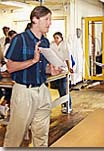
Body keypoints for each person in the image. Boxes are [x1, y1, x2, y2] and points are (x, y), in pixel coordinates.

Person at [3, 6, 56, 147]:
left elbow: (41, 68)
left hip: (43, 90)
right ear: (35, 19)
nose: (50, 23)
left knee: (41, 134)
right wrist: (32, 60)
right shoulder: (19, 40)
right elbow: (10, 67)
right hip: (24, 92)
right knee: (16, 134)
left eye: (50, 19)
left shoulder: (45, 42)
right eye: (47, 19)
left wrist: (51, 69)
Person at [50, 32, 73, 114]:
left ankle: (68, 105)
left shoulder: (65, 45)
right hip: (56, 69)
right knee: (60, 88)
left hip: (64, 68)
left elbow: (67, 57)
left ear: (61, 38)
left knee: (64, 88)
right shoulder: (52, 45)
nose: (56, 40)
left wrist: (69, 68)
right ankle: (63, 105)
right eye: (54, 38)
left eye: (57, 38)